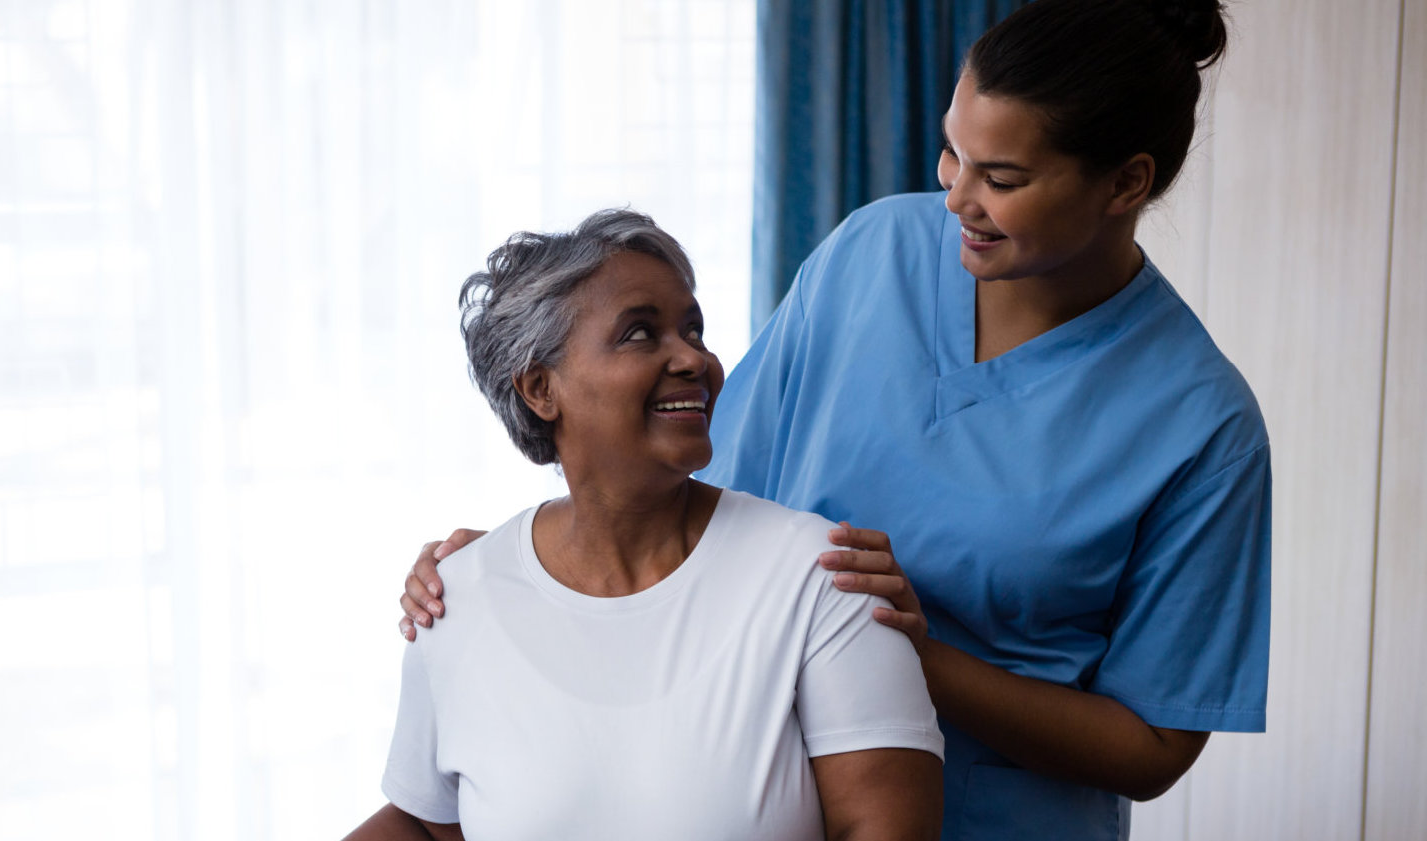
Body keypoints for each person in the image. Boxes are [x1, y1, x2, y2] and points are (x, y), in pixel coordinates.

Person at [396, 2, 1269, 840]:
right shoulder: (872, 255)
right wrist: (535, 570)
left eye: (1000, 178)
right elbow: (697, 485)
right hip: (774, 800)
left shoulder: (1200, 425)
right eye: (950, 153)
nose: (956, 197)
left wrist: (906, 652)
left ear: (1127, 182)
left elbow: (1150, 746)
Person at [347, 210, 944, 841]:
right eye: (640, 334)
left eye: (694, 330)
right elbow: (430, 825)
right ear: (541, 389)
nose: (694, 359)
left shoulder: (822, 576)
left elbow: (885, 828)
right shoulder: (455, 598)